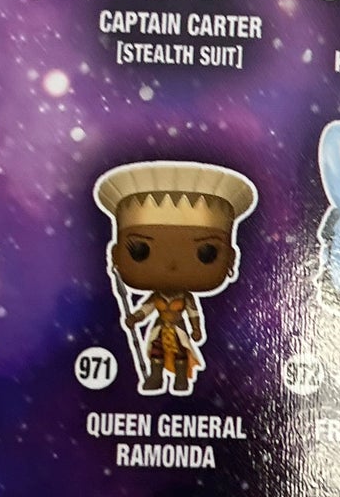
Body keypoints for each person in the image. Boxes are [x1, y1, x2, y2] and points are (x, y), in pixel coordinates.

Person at [94, 161, 257, 395]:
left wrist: (196, 329)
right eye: (140, 251)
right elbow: (146, 310)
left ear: (230, 259)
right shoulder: (156, 298)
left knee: (181, 355)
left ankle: (181, 379)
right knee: (156, 354)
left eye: (206, 253)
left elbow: (193, 314)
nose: (172, 264)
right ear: (116, 255)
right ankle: (156, 377)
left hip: (178, 330)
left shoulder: (186, 299)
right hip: (160, 329)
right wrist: (135, 318)